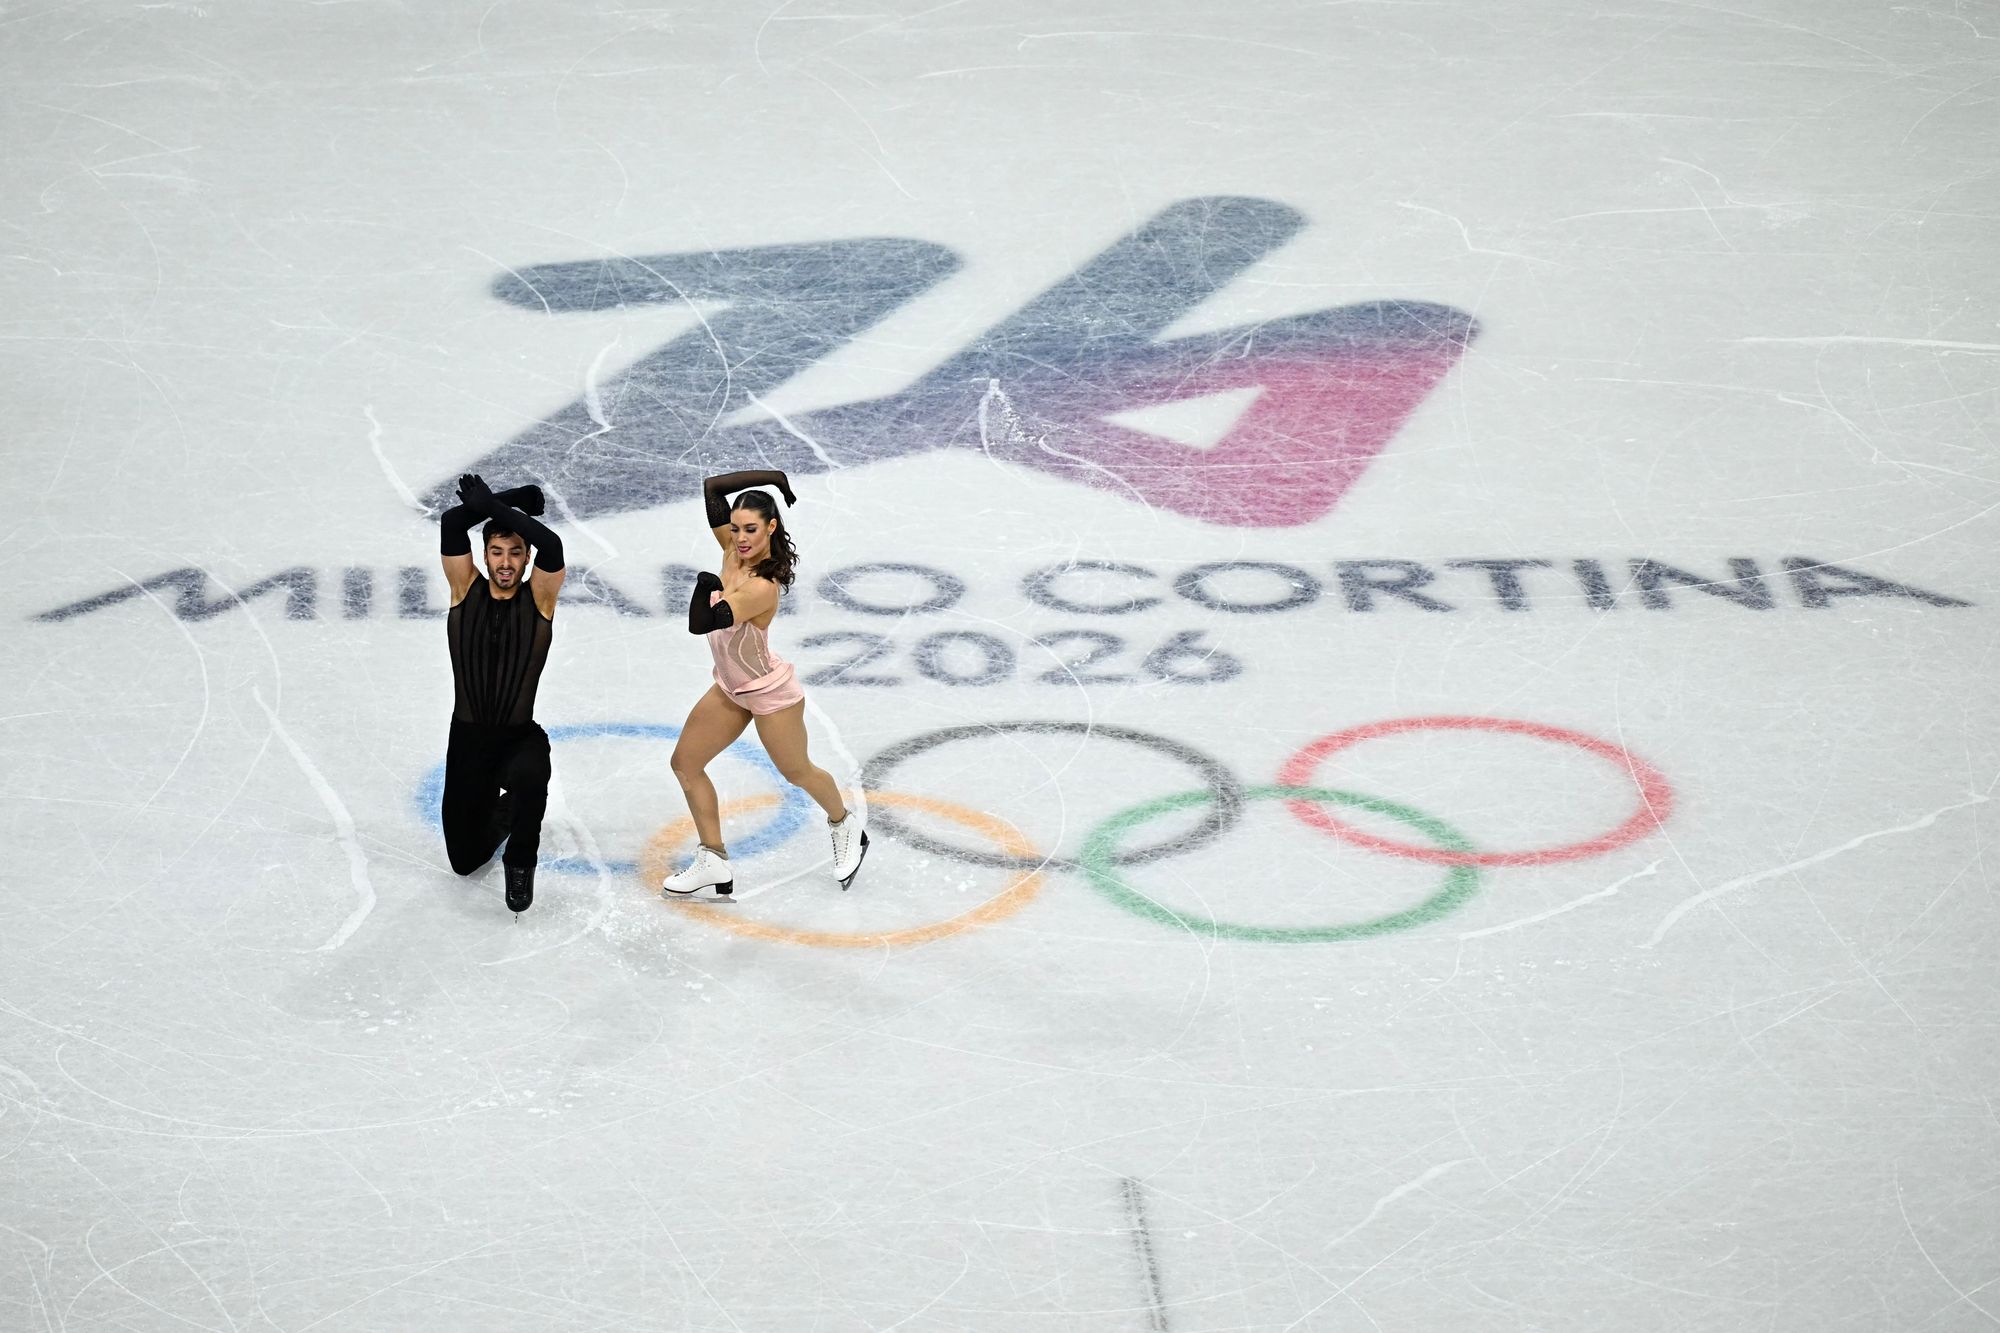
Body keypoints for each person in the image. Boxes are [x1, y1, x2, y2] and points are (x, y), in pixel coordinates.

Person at [661, 469, 866, 898]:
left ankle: (845, 824)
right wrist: (775, 479)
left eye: (750, 529)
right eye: (734, 528)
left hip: (771, 695)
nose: (739, 537)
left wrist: (704, 588)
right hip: (731, 690)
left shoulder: (761, 588)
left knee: (797, 772)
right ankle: (713, 859)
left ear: (771, 527)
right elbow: (713, 488)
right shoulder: (732, 553)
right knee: (686, 764)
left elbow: (701, 623)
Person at [436, 473, 567, 914]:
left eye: (515, 553)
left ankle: (521, 862)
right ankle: (509, 812)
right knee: (464, 861)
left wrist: (494, 506)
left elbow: (553, 547)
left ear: (527, 558)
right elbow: (453, 523)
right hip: (468, 743)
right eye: (496, 552)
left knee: (531, 776)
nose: (506, 562)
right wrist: (511, 501)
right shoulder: (463, 588)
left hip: (517, 738)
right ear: (485, 556)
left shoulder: (541, 598)